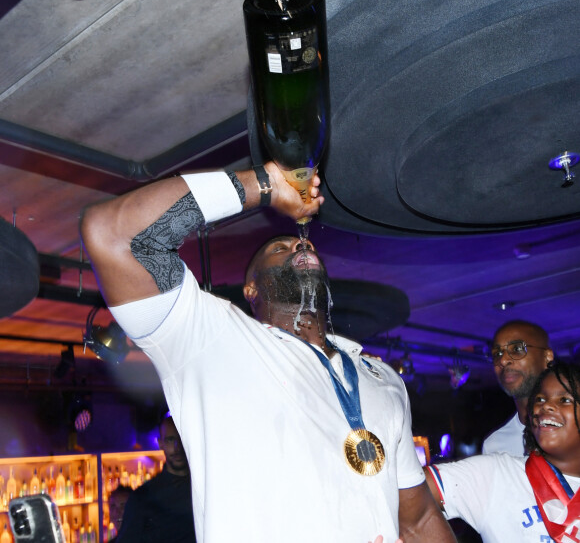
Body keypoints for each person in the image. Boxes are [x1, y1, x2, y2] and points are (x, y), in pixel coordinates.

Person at [80, 162, 455, 543]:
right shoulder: (214, 342)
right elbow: (113, 233)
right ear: (251, 289)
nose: (300, 244)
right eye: (280, 248)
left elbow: (419, 518)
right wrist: (267, 184)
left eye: (302, 244)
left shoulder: (383, 378)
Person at [424, 361, 580, 543]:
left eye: (565, 400)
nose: (545, 406)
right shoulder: (497, 474)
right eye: (540, 399)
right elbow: (407, 487)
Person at [114, 416, 196, 542]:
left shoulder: (203, 490)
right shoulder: (143, 497)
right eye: (170, 440)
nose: (177, 446)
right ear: (160, 443)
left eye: (181, 439)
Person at [482, 320, 554, 455]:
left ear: (547, 357)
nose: (503, 360)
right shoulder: (494, 446)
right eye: (497, 354)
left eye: (517, 349)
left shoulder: (573, 427)